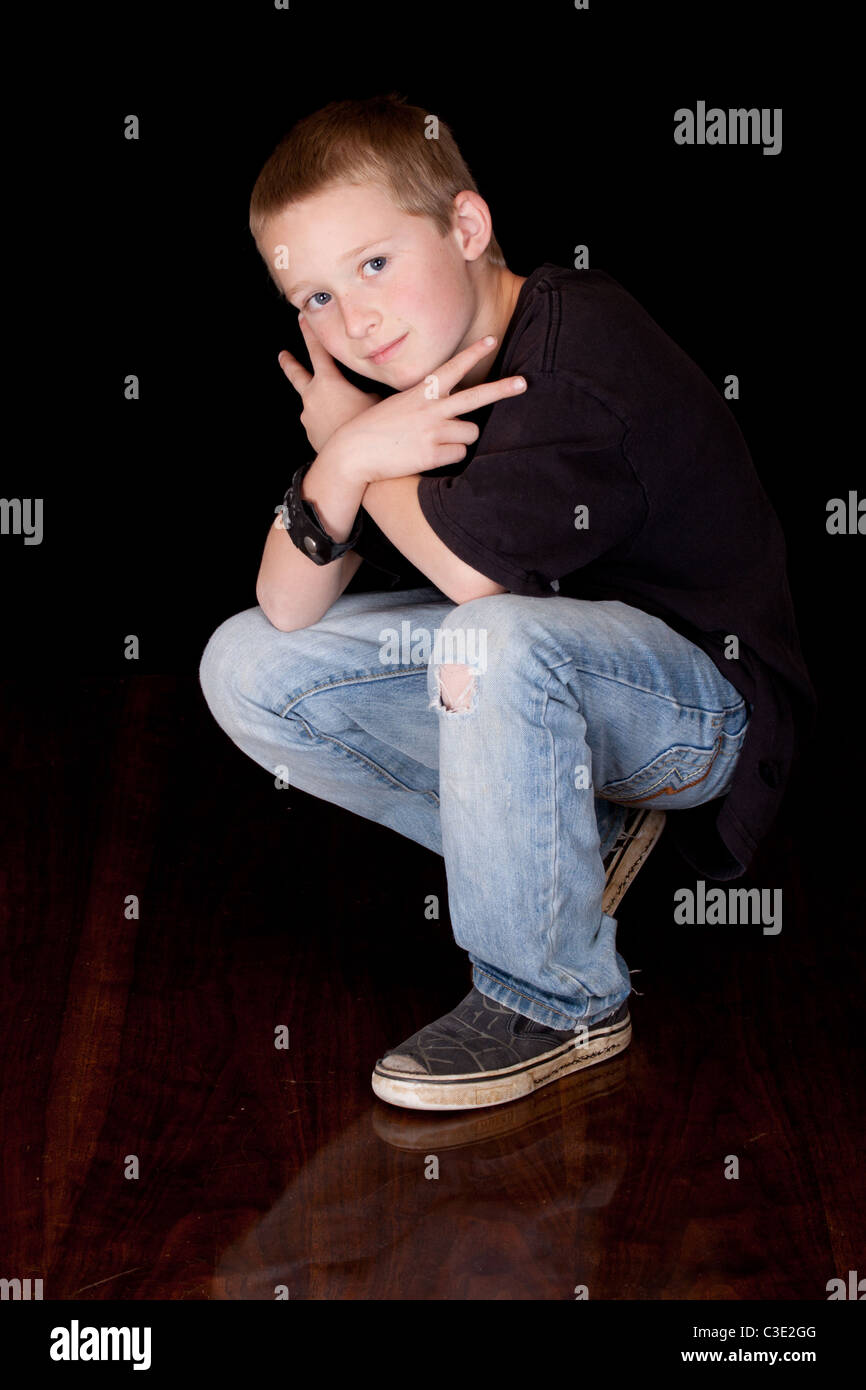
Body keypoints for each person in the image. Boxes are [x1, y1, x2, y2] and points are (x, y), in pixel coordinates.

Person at [198, 93, 817, 1112]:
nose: (351, 318)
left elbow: (477, 586)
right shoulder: (414, 368)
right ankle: (574, 846)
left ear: (466, 227)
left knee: (488, 636)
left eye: (373, 263)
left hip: (702, 711)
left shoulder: (580, 358)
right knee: (242, 662)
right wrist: (347, 454)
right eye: (311, 298)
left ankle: (551, 994)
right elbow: (285, 602)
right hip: (554, 685)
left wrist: (356, 450)